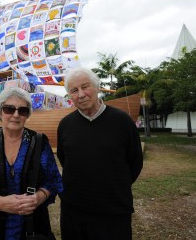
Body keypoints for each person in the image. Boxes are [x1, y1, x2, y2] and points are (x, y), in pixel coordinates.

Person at [0, 87, 63, 240]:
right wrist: (2, 203)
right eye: (9, 109)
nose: (16, 115)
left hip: (32, 227)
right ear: (0, 111)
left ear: (27, 115)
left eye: (22, 110)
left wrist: (38, 198)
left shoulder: (39, 142)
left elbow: (53, 181)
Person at [57, 67, 143, 240]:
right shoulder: (65, 125)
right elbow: (65, 159)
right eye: (74, 90)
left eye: (85, 86)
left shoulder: (123, 121)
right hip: (74, 210)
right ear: (70, 95)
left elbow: (135, 162)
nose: (81, 94)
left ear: (96, 87)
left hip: (113, 210)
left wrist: (114, 185)